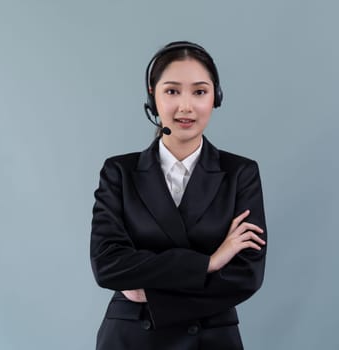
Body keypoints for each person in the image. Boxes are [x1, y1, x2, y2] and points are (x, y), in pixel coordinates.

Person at [90, 41, 267, 350]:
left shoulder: (240, 173)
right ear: (152, 96)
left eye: (199, 92)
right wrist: (209, 263)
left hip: (211, 339)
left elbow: (246, 274)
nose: (186, 106)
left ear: (216, 97)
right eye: (172, 91)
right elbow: (108, 265)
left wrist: (152, 292)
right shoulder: (119, 172)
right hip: (132, 338)